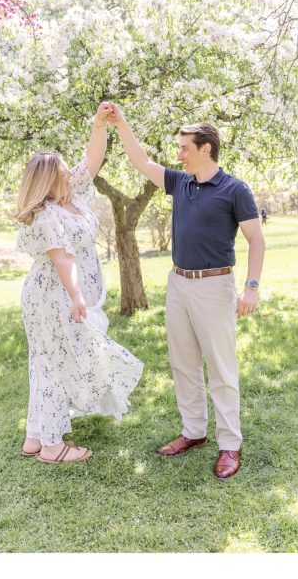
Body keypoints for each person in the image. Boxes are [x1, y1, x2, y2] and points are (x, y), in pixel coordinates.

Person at [108, 105, 265, 480]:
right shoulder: (180, 183)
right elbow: (140, 161)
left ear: (205, 149)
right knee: (183, 364)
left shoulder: (235, 189)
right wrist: (121, 123)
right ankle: (194, 432)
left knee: (221, 369)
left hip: (215, 285)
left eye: (184, 147)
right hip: (178, 283)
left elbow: (256, 241)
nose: (178, 154)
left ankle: (230, 445)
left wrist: (252, 288)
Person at [15, 102, 143, 464]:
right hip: (53, 293)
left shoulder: (71, 196)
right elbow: (62, 259)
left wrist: (100, 123)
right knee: (56, 361)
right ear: (49, 181)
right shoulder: (46, 214)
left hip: (63, 292)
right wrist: (76, 297)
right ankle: (54, 446)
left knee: (45, 360)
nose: (72, 173)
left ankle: (36, 436)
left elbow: (92, 158)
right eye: (63, 172)